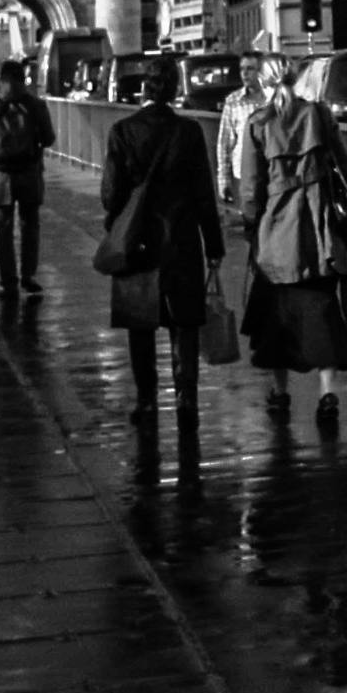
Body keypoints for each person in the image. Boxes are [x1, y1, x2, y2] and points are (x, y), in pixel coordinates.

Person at [102, 51, 224, 428]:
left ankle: (147, 401)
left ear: (144, 88)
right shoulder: (188, 131)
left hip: (138, 240)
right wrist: (215, 246)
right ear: (174, 90)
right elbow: (205, 193)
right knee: (183, 323)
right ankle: (186, 397)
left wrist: (117, 224)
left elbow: (111, 194)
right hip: (182, 238)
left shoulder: (123, 131)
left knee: (141, 324)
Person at [240, 76, 347, 428]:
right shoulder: (318, 116)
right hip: (318, 226)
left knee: (277, 314)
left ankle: (280, 391)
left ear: (264, 83)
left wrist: (251, 223)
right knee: (323, 312)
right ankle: (327, 394)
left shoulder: (259, 123)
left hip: (277, 230)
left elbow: (251, 186)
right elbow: (345, 169)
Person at [0, 57, 55, 297]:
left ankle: (7, 281)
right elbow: (50, 138)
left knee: (2, 229)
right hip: (30, 174)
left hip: (1, 178)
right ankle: (29, 277)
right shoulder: (37, 106)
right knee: (30, 225)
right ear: (24, 80)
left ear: (1, 82)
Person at [213, 53, 267, 214]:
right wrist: (223, 180)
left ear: (261, 71)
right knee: (250, 223)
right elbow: (224, 143)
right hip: (243, 176)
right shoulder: (234, 101)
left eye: (250, 69)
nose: (245, 73)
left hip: (271, 173)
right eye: (242, 69)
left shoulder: (272, 99)